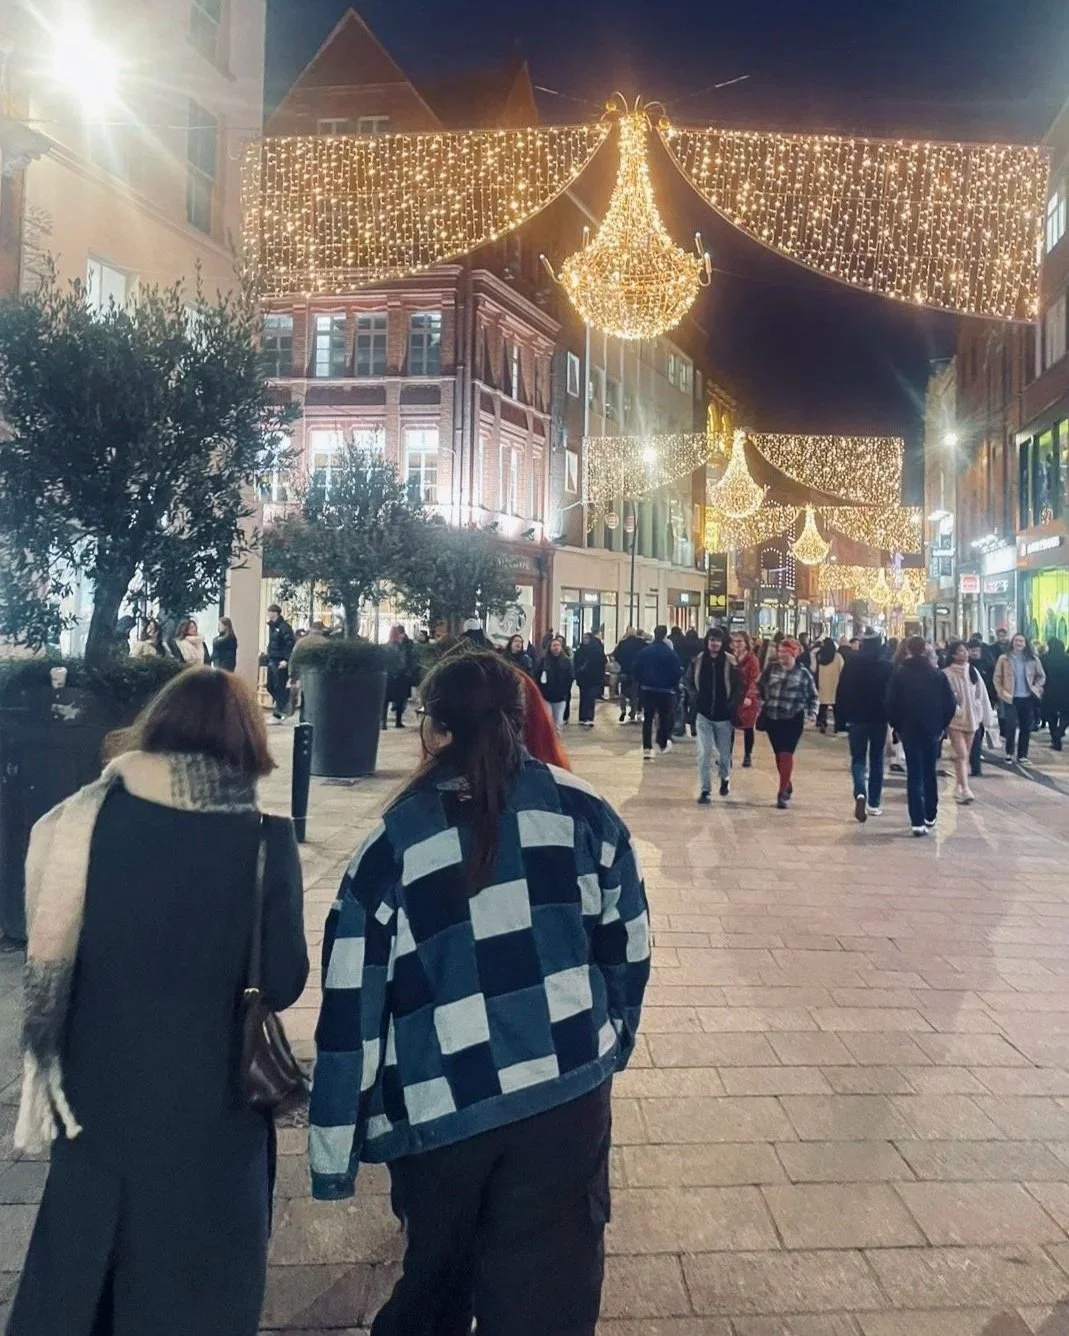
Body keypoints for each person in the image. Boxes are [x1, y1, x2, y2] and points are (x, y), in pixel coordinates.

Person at [308, 651, 649, 1336]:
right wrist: (606, 1038)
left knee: (435, 1280)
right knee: (548, 1294)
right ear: (520, 720)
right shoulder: (583, 811)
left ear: (432, 728)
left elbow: (352, 999)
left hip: (442, 1106)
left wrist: (334, 1145)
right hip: (565, 1088)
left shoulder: (394, 842)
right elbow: (627, 947)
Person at [8, 668, 308, 1336]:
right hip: (211, 1106)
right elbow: (283, 980)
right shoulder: (262, 841)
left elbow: (48, 938)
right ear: (244, 741)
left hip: (97, 1092)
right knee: (194, 1283)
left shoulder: (83, 820)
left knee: (85, 1269)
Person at [886, 635, 957, 836]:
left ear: (909, 650)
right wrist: (942, 726)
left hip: (908, 729)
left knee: (914, 774)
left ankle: (917, 821)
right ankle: (930, 814)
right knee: (929, 771)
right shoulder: (937, 675)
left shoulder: (900, 674)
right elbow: (950, 704)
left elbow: (890, 702)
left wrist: (896, 726)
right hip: (932, 729)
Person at [835, 630, 893, 823]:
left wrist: (840, 719)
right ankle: (874, 803)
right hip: (879, 719)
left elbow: (842, 690)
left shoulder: (852, 664)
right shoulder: (887, 666)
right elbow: (892, 695)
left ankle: (860, 792)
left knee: (858, 759)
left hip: (857, 718)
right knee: (877, 759)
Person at [758, 637, 817, 809]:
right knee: (778, 755)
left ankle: (781, 792)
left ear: (794, 653)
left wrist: (812, 713)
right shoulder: (771, 669)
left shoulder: (803, 674)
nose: (781, 655)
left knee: (786, 754)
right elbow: (760, 686)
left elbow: (813, 695)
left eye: (785, 652)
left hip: (793, 718)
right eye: (780, 652)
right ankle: (787, 781)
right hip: (772, 716)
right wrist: (761, 701)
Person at [689, 628, 740, 802]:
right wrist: (694, 698)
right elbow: (689, 681)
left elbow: (738, 686)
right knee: (704, 753)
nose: (715, 643)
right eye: (712, 640)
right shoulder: (698, 660)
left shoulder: (731, 662)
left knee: (724, 756)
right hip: (703, 715)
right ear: (707, 641)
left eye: (718, 640)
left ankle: (724, 778)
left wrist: (732, 705)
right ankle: (705, 790)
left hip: (724, 717)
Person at [943, 639, 997, 804]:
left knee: (964, 755)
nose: (965, 653)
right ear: (953, 654)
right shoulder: (946, 673)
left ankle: (960, 787)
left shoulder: (973, 671)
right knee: (962, 754)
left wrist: (985, 716)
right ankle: (965, 788)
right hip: (955, 720)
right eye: (960, 651)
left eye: (965, 650)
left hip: (972, 718)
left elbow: (982, 695)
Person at [994, 632, 1046, 764]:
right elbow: (997, 677)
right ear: (1012, 642)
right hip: (1010, 697)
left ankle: (1023, 755)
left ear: (1025, 643)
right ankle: (1009, 752)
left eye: (1021, 641)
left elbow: (1041, 676)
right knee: (1010, 726)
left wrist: (1036, 688)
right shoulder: (1004, 658)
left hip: (1027, 697)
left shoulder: (1032, 659)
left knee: (1025, 727)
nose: (1019, 644)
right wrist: (1001, 692)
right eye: (1016, 641)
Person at [634, 625, 683, 759]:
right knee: (664, 717)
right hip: (665, 691)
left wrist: (642, 682)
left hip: (647, 689)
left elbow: (636, 669)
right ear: (665, 635)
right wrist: (673, 686)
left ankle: (647, 747)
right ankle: (662, 742)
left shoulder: (645, 651)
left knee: (648, 719)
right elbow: (677, 672)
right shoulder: (670, 653)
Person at [731, 631, 762, 768]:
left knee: (748, 727)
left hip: (748, 698)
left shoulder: (752, 660)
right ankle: (727, 755)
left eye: (740, 641)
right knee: (729, 727)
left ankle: (747, 755)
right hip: (733, 697)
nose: (737, 644)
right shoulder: (731, 658)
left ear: (746, 643)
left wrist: (749, 696)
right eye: (735, 641)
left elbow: (755, 679)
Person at [382, 625, 419, 730]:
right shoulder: (400, 647)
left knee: (386, 701)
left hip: (389, 676)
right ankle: (398, 722)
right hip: (399, 676)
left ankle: (383, 723)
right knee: (399, 700)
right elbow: (402, 661)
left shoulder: (385, 647)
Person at [537, 635, 574, 731]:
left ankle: (556, 741)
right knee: (548, 721)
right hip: (546, 696)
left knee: (558, 721)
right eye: (554, 645)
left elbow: (570, 677)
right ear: (550, 647)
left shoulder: (566, 661)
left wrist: (565, 690)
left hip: (560, 697)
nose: (556, 647)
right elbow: (537, 675)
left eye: (558, 645)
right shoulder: (543, 661)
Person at [266, 604, 295, 722]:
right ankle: (280, 708)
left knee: (279, 687)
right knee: (270, 686)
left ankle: (279, 712)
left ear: (276, 613)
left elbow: (289, 644)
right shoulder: (272, 627)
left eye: (270, 612)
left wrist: (286, 660)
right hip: (272, 659)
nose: (268, 614)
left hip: (280, 661)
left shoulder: (284, 627)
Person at [574, 631, 607, 728]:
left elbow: (602, 663)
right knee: (583, 697)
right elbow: (576, 663)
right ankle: (582, 717)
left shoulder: (596, 651)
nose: (585, 640)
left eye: (587, 638)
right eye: (584, 638)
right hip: (583, 678)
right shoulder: (580, 651)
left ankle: (589, 717)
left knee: (590, 697)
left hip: (593, 678)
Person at [1042, 636, 1069, 751]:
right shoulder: (1067, 659)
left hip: (1049, 692)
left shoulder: (1043, 659)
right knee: (1066, 715)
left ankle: (1055, 739)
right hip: (1066, 692)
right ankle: (1060, 731)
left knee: (1050, 716)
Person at [612, 628, 644, 724]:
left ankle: (623, 710)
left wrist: (621, 664)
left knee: (623, 692)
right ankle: (633, 713)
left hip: (624, 671)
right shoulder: (640, 642)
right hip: (636, 672)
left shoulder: (622, 643)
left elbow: (616, 655)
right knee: (634, 693)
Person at [814, 637, 844, 733]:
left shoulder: (820, 657)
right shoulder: (838, 656)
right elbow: (843, 669)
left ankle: (822, 723)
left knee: (823, 706)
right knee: (836, 707)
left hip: (823, 684)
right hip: (835, 684)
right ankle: (838, 726)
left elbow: (815, 669)